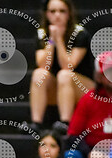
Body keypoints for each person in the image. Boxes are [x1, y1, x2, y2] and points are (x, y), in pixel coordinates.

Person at [28, 0, 94, 133]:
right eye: (53, 11)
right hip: (58, 89)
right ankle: (36, 123)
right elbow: (42, 64)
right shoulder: (42, 34)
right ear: (47, 14)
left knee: (64, 75)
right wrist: (51, 40)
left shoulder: (80, 34)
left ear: (69, 14)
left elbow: (68, 66)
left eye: (62, 11)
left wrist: (59, 39)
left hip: (83, 89)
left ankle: (65, 122)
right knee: (39, 74)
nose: (57, 15)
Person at [66, 51, 112, 158]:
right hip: (92, 152)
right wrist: (90, 153)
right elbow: (73, 134)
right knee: (70, 157)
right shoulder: (89, 99)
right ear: (99, 76)